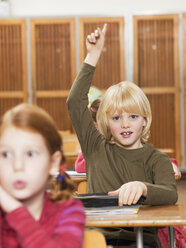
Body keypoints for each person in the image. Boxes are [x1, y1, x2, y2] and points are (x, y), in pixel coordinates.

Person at [67, 24, 178, 247]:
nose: (125, 124)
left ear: (145, 119)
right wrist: (93, 55)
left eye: (133, 117)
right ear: (105, 121)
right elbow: (74, 102)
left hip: (141, 241)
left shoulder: (157, 159)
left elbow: (170, 194)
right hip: (98, 239)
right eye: (116, 118)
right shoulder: (95, 147)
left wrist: (143, 187)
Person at [0, 103, 85, 248]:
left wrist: (15, 210)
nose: (17, 166)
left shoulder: (69, 211)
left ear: (53, 163)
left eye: (30, 154)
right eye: (6, 154)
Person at [75, 98, 181, 180]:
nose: (123, 125)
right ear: (95, 125)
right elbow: (80, 166)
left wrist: (169, 163)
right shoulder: (94, 147)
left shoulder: (126, 141)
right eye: (115, 119)